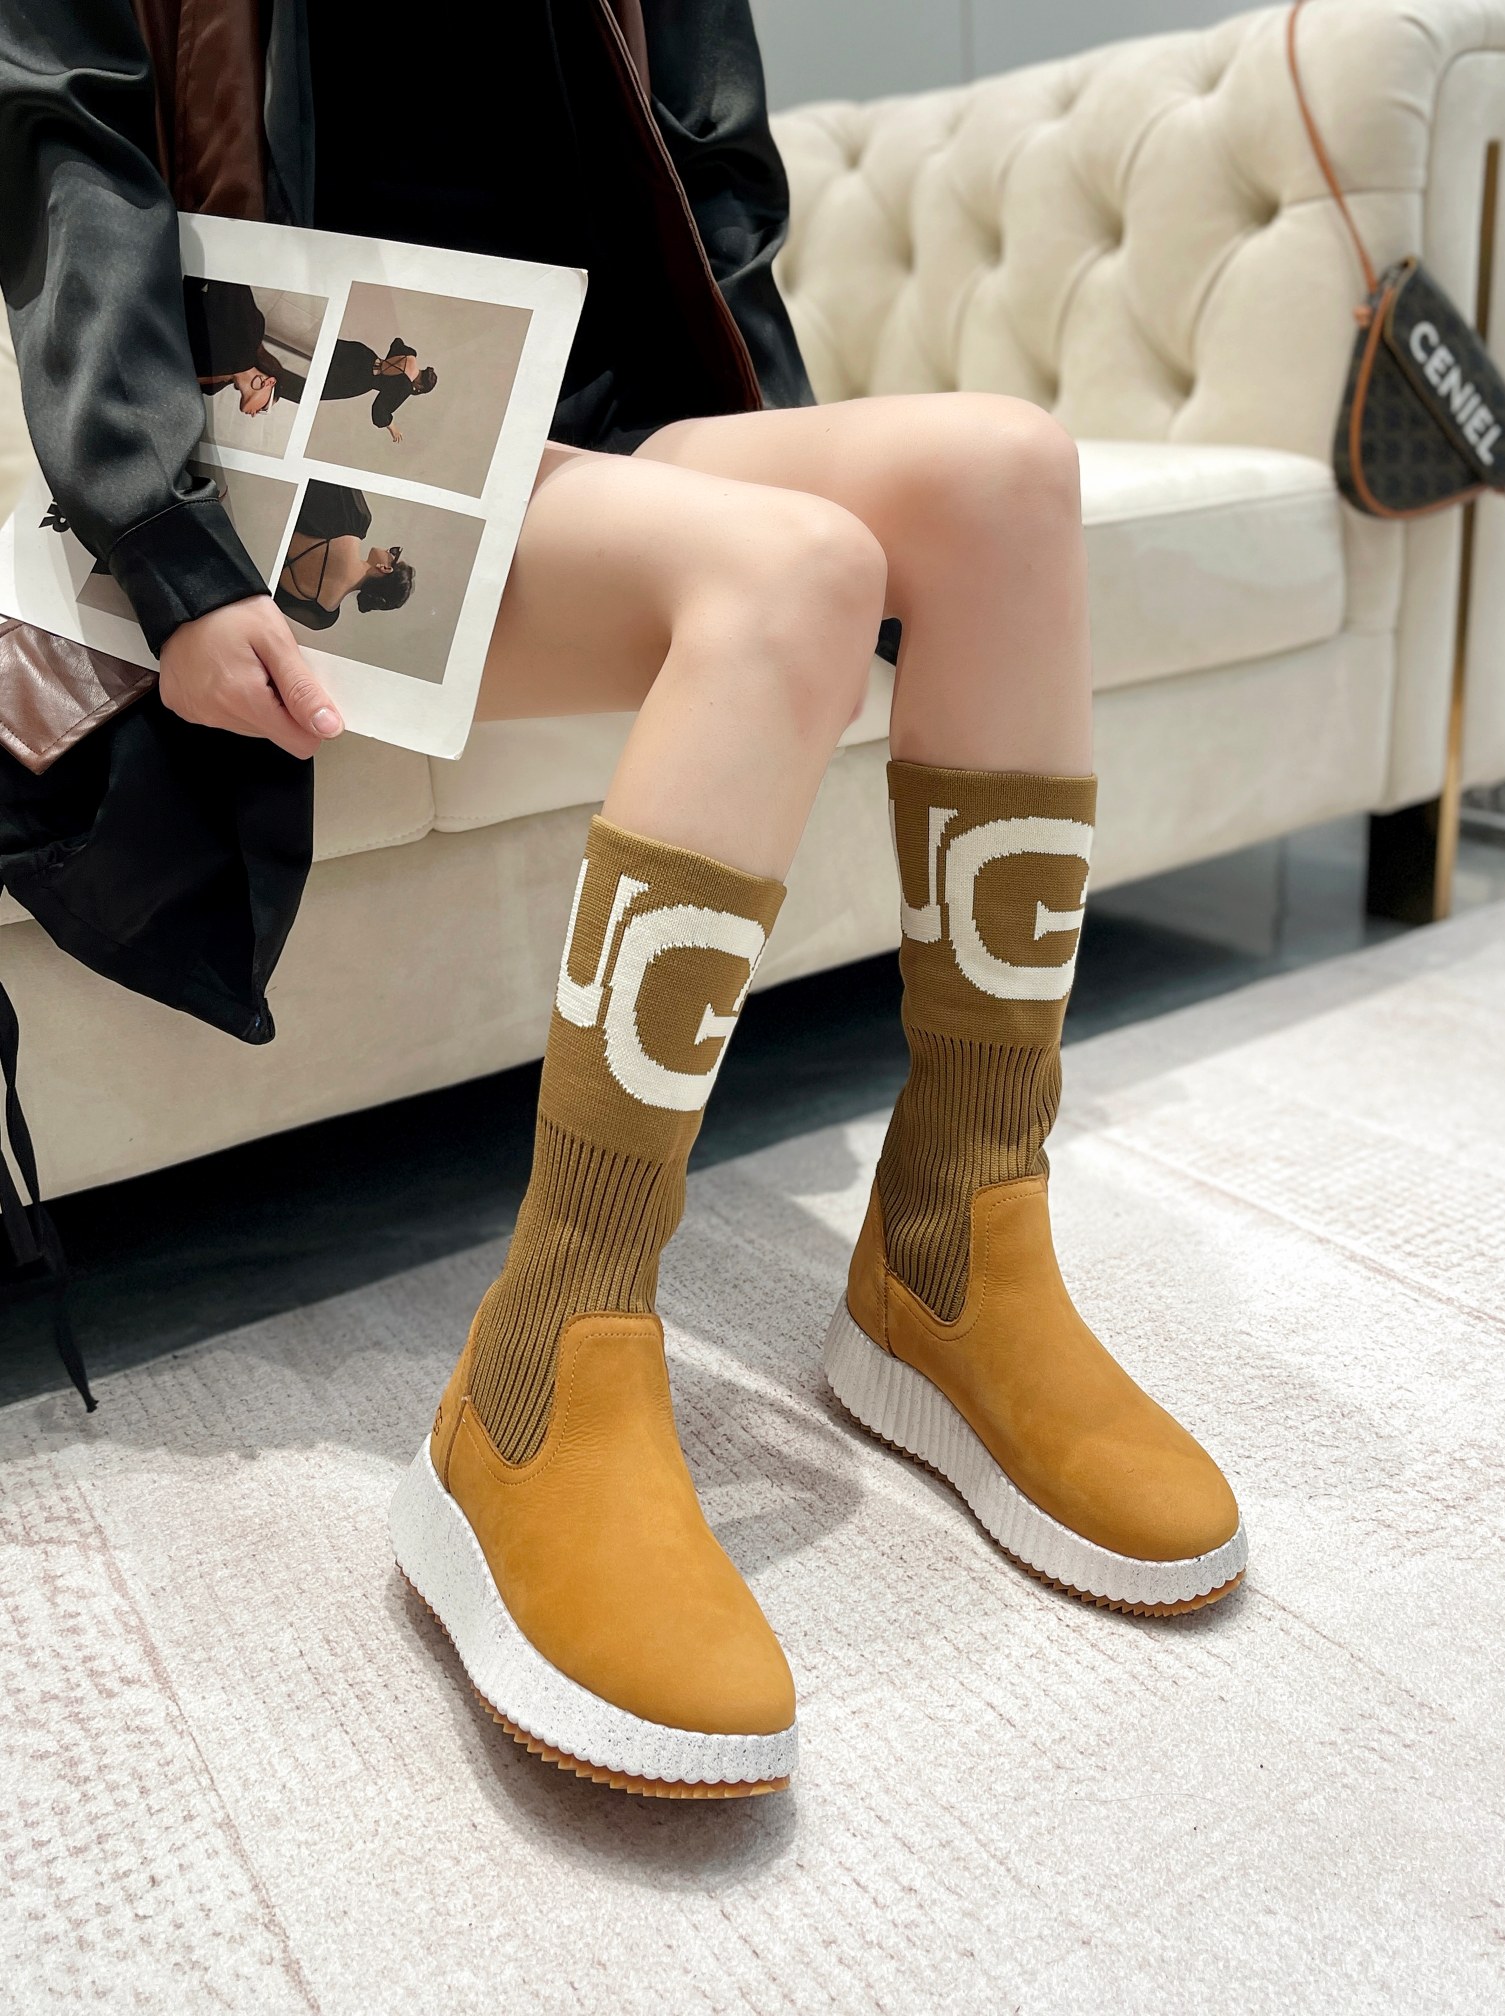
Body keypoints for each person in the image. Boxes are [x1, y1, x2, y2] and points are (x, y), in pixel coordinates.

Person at [0, 0, 1245, 1803]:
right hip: (279, 427)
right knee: (791, 569)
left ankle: (959, 1239)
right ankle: (544, 1363)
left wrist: (793, 474)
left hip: (575, 420)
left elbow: (711, 182)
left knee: (1002, 478)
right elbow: (67, 143)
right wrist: (165, 541)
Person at [273, 483, 414, 631]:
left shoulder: (355, 516)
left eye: (394, 553)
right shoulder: (322, 617)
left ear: (385, 568)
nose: (388, 550)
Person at [183, 277, 305, 416]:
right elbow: (228, 279)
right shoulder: (250, 333)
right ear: (270, 382)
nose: (254, 414)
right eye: (264, 409)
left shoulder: (212, 387)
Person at [320, 336, 437, 443]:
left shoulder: (411, 355)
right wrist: (393, 428)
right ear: (421, 386)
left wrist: (387, 367)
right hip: (359, 378)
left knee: (322, 347)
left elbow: (397, 342)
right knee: (319, 381)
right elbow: (380, 410)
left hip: (362, 355)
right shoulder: (404, 386)